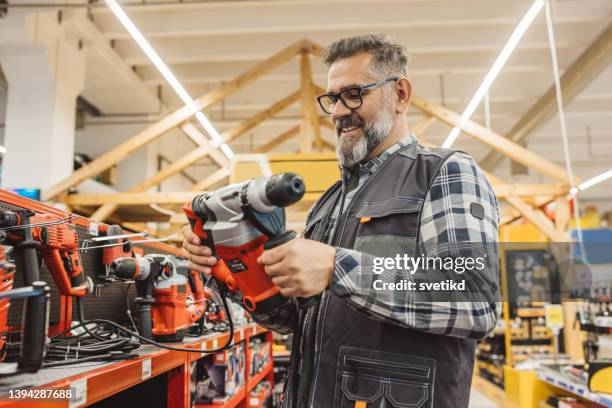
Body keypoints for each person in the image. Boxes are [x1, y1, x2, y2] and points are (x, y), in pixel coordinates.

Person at [182, 34, 500, 408]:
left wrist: (338, 268)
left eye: (354, 94)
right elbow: (296, 322)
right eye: (332, 99)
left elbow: (474, 299)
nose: (337, 112)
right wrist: (235, 270)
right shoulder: (329, 203)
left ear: (400, 94)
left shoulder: (444, 173)